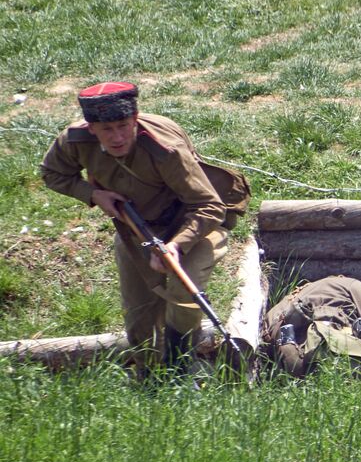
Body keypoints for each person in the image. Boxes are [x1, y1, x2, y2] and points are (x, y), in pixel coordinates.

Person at [40, 82, 231, 370]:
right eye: (106, 129)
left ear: (136, 118)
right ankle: (149, 376)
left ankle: (181, 369)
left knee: (184, 294)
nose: (116, 137)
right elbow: (52, 173)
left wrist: (177, 245)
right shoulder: (75, 140)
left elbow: (210, 206)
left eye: (123, 125)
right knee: (139, 314)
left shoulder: (165, 151)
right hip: (135, 229)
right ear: (92, 128)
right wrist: (92, 194)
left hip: (191, 223)